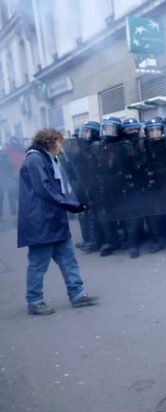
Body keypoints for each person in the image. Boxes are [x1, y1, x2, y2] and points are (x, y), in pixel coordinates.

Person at [17, 128, 98, 315]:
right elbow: (46, 190)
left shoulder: (44, 158)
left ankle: (77, 295)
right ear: (50, 142)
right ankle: (34, 301)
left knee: (69, 260)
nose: (62, 147)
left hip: (51, 220)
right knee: (38, 264)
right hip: (41, 222)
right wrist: (73, 205)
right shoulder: (35, 159)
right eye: (59, 142)